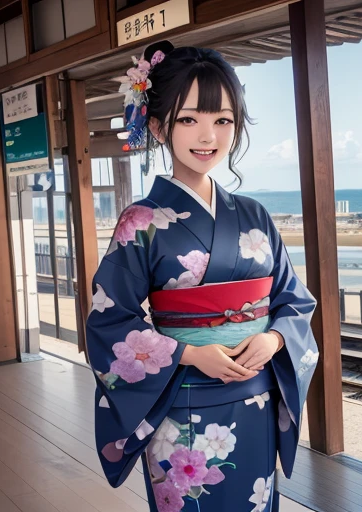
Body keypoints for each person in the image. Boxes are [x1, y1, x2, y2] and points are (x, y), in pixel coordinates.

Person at [85, 41, 319, 512]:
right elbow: (109, 322)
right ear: (157, 125)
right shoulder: (141, 223)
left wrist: (274, 339)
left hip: (255, 399)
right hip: (179, 403)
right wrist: (190, 353)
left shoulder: (254, 214)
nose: (208, 135)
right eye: (189, 119)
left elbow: (294, 300)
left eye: (223, 120)